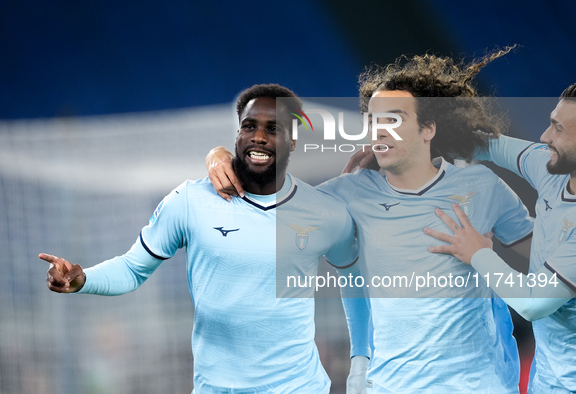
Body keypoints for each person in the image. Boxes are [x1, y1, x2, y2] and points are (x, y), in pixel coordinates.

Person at [204, 50, 534, 393]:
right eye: (374, 120)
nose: (380, 130)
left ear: (428, 129)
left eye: (394, 119)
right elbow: (259, 202)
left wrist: (486, 257)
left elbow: (551, 254)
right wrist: (220, 155)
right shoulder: (346, 193)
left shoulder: (481, 185)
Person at [39, 83, 359, 393]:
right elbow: (133, 267)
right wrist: (83, 280)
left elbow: (360, 279)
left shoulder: (325, 212)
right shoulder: (191, 200)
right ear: (237, 135)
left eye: (273, 129)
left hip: (297, 387)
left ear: (293, 141)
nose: (259, 137)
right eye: (249, 126)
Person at [425, 83, 576, 393]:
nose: (545, 136)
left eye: (558, 129)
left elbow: (533, 304)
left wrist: (478, 253)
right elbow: (486, 145)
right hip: (547, 378)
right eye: (550, 122)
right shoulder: (552, 169)